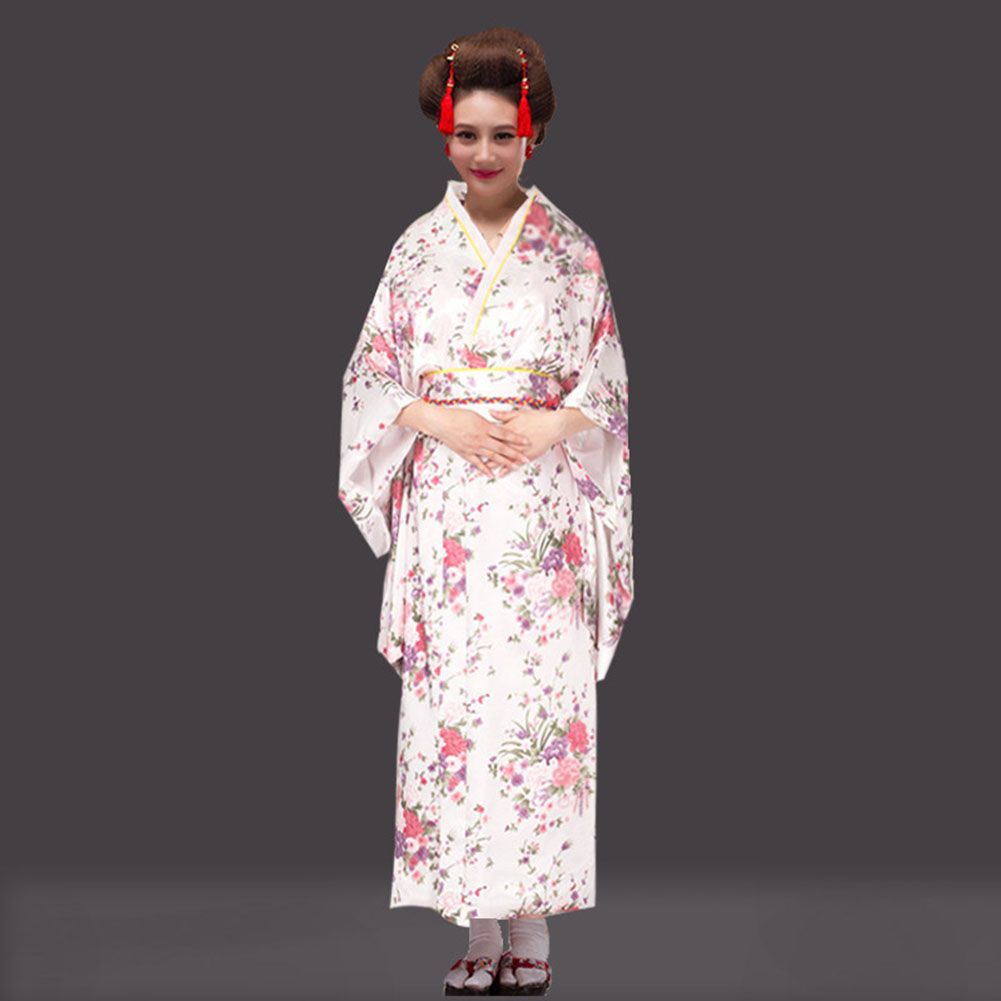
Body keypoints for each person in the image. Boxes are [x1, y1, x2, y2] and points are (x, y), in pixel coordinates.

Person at [338, 26, 634, 996]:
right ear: (444, 133)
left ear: (532, 133)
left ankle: (531, 921)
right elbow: (370, 377)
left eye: (502, 134)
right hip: (451, 508)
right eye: (465, 133)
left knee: (535, 709)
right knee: (457, 706)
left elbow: (605, 382)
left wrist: (552, 426)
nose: (483, 152)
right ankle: (473, 916)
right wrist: (440, 421)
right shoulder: (416, 250)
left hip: (541, 510)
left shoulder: (570, 252)